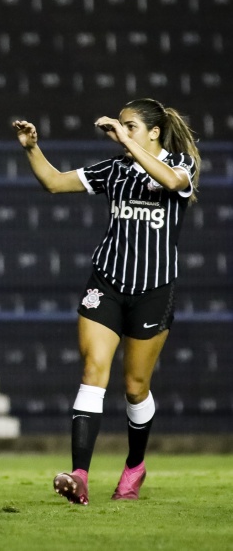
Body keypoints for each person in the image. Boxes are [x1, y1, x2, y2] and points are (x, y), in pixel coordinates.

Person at [13, 97, 200, 505]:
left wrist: (127, 143)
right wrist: (32, 148)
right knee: (93, 369)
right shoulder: (114, 170)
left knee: (135, 387)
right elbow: (54, 182)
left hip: (154, 289)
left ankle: (135, 465)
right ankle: (79, 474)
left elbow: (171, 184)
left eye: (131, 127)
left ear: (153, 132)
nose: (122, 133)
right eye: (121, 126)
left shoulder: (180, 164)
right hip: (108, 283)